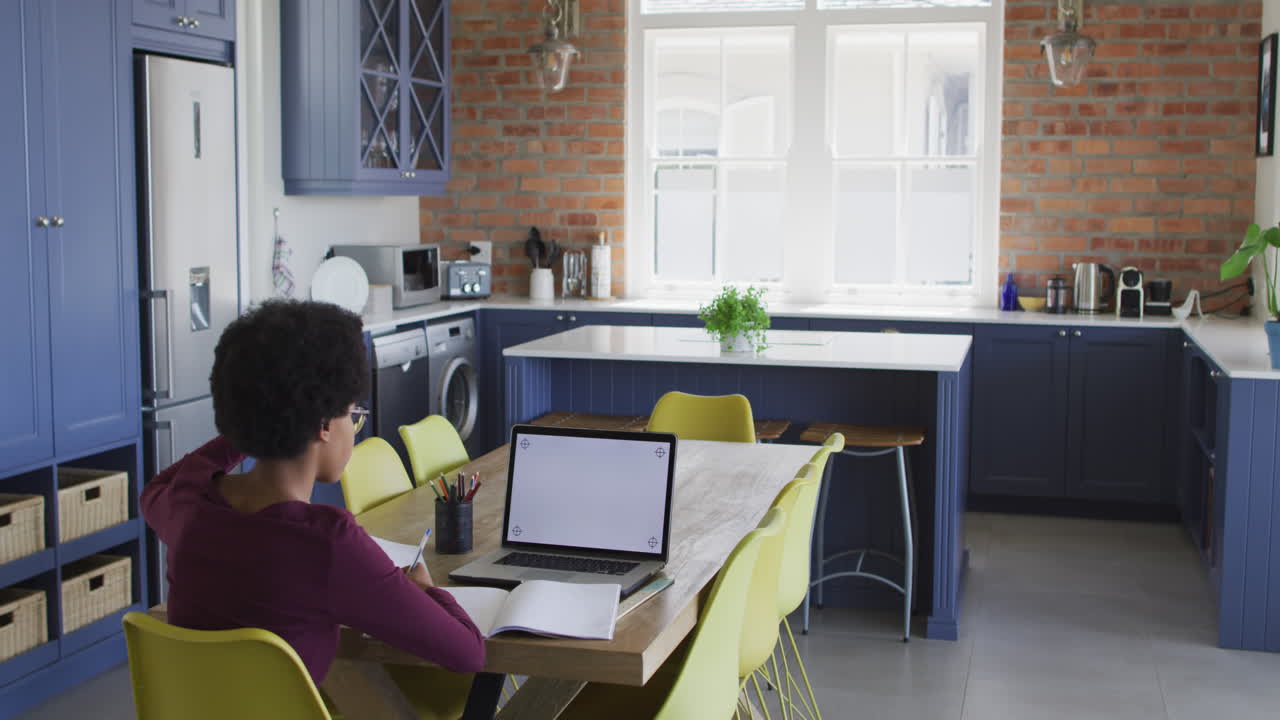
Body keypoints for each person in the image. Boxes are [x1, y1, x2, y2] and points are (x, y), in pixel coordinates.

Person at [140, 299, 484, 706]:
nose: (354, 430)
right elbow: (468, 653)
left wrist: (258, 416)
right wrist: (426, 590)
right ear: (323, 424)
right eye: (353, 416)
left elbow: (153, 491)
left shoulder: (189, 506)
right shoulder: (329, 543)